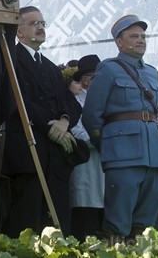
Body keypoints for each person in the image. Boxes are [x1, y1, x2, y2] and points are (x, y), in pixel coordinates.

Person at [82, 14, 158, 240]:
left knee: (145, 222)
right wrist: (107, 144)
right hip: (123, 153)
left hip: (153, 155)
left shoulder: (152, 72)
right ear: (119, 43)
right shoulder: (108, 69)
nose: (141, 40)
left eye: (142, 36)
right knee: (117, 221)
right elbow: (91, 114)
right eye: (133, 36)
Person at [1, 6, 82, 237]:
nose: (40, 27)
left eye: (43, 23)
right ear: (19, 31)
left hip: (55, 155)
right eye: (34, 23)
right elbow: (19, 101)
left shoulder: (51, 67)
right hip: (27, 151)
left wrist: (65, 123)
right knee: (27, 218)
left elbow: (70, 102)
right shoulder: (10, 59)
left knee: (57, 219)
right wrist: (51, 127)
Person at [69, 54, 105, 241]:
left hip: (105, 166)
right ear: (85, 79)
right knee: (86, 215)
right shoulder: (75, 102)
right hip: (85, 164)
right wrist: (102, 141)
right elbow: (77, 132)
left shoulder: (107, 101)